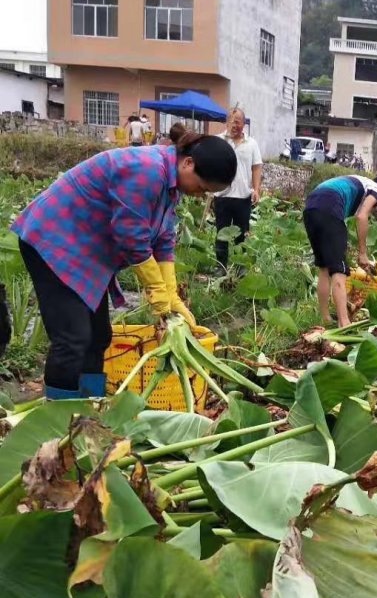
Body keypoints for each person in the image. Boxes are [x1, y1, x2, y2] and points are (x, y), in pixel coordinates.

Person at [11, 133, 237, 400]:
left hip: (85, 250)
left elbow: (163, 238)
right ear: (188, 163)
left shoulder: (170, 182)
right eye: (201, 187)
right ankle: (59, 421)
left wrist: (171, 294)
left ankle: (89, 408)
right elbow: (132, 237)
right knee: (73, 340)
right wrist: (155, 290)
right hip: (54, 241)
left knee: (98, 337)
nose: (200, 195)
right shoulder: (146, 170)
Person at [303, 174, 377, 328]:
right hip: (329, 207)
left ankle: (325, 319)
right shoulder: (375, 189)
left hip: (310, 208)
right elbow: (362, 217)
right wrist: (363, 253)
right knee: (339, 270)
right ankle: (344, 322)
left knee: (324, 267)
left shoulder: (357, 182)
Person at [214, 108, 263, 268]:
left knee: (241, 234)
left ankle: (239, 268)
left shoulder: (252, 143)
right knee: (221, 233)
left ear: (244, 124)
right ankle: (221, 267)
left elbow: (256, 167)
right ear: (226, 122)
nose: (235, 125)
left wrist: (256, 189)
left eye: (238, 122)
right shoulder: (218, 141)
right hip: (222, 196)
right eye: (232, 121)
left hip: (243, 197)